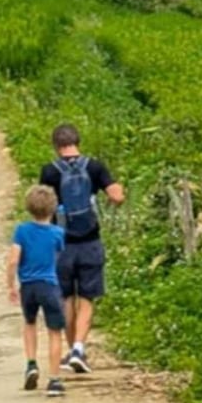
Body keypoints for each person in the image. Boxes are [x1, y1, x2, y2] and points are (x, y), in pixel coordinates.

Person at [39, 123, 124, 374]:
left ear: (56, 145)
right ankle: (78, 348)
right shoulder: (95, 167)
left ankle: (71, 353)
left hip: (60, 244)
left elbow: (43, 207)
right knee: (87, 297)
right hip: (90, 242)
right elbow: (117, 195)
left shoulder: (49, 172)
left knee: (66, 297)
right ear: (78, 141)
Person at [7, 184, 68, 398]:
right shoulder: (58, 233)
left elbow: (13, 259)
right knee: (54, 332)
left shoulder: (22, 231)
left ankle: (31, 363)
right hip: (49, 285)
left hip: (28, 286)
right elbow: (62, 259)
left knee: (30, 323)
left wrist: (10, 285)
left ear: (28, 207)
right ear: (52, 209)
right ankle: (54, 379)